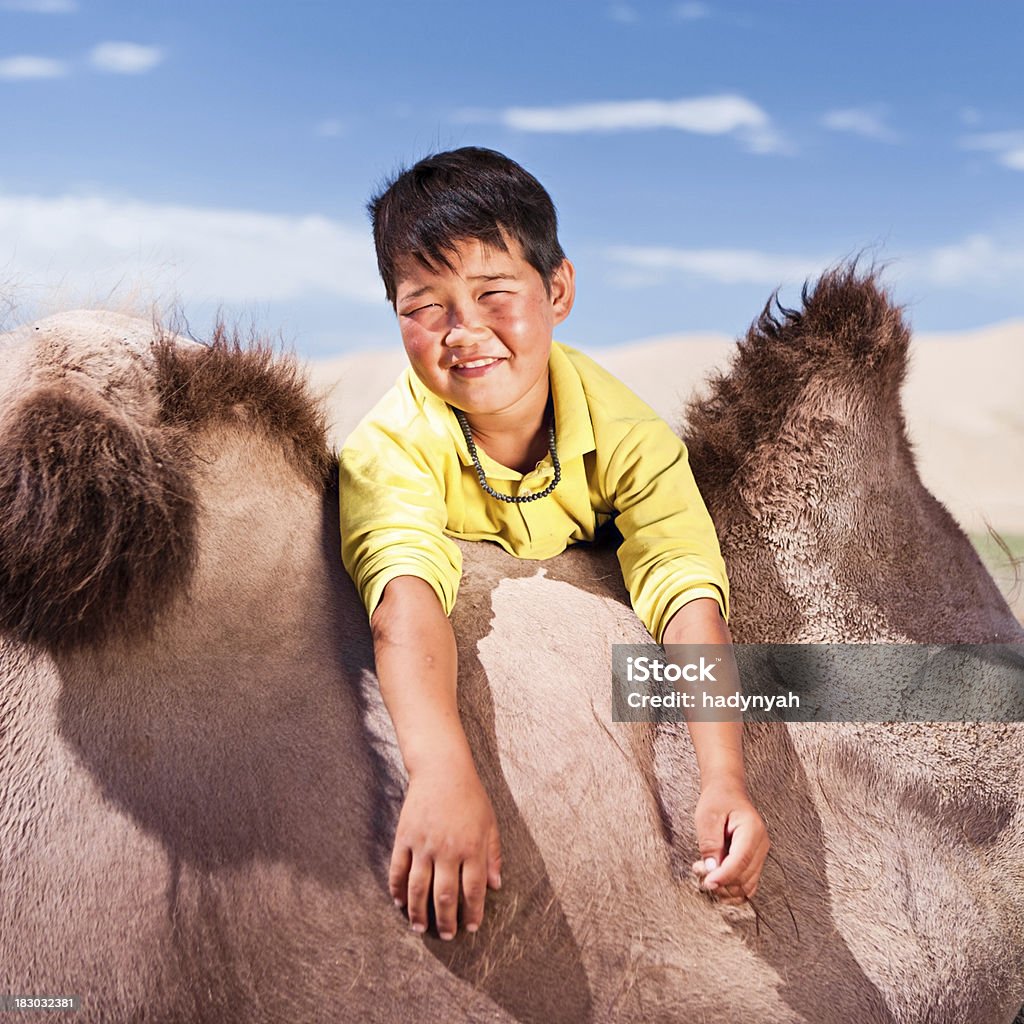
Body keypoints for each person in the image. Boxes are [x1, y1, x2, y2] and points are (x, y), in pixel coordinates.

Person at [339, 146, 768, 941]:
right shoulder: (386, 451)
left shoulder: (631, 436)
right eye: (423, 305)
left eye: (494, 293)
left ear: (558, 290)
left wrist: (723, 778)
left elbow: (684, 585)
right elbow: (403, 589)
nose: (463, 330)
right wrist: (438, 773)